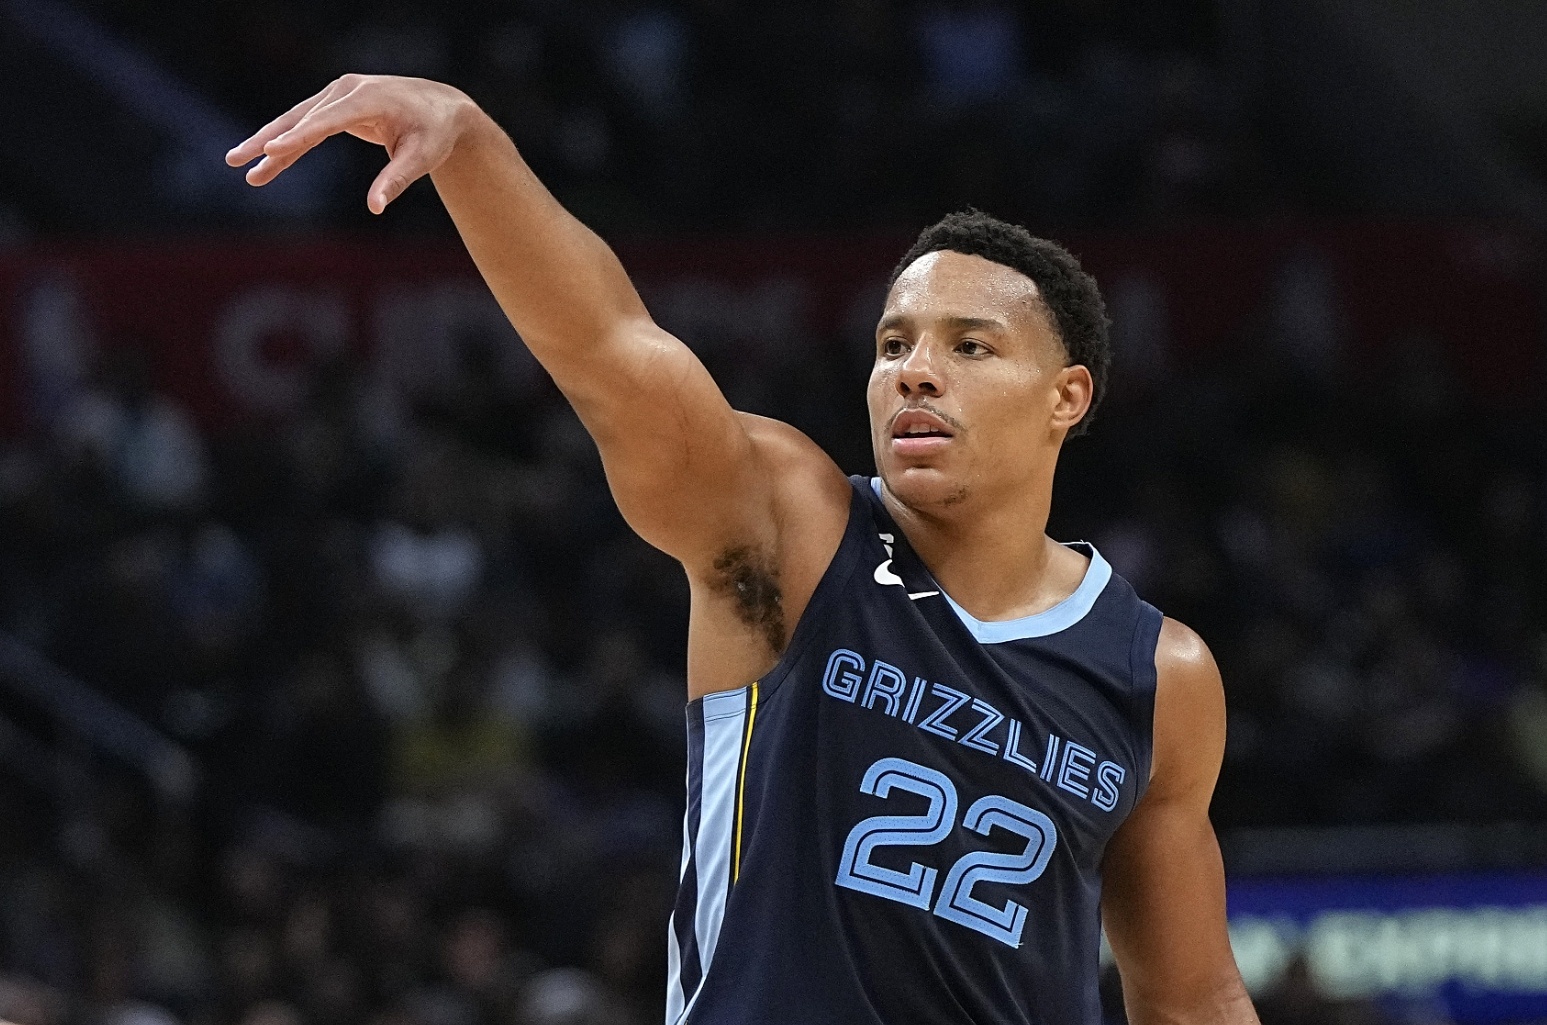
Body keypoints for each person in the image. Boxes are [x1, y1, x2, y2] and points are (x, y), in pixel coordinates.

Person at [228, 75, 1259, 1025]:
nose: (913, 371)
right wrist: (469, 144)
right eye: (892, 343)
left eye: (968, 345)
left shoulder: (1157, 675)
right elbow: (611, 349)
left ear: (1065, 397)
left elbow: (1190, 998)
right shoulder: (793, 530)